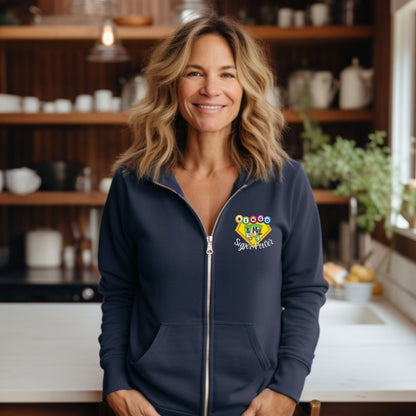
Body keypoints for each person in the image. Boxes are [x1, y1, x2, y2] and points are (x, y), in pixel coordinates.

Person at [98, 14, 328, 416]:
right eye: (194, 73)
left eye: (227, 74)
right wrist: (115, 380)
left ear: (247, 86)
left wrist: (288, 387)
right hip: (152, 406)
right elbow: (118, 291)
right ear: (173, 82)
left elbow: (304, 292)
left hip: (253, 407)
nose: (211, 89)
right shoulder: (133, 182)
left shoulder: (284, 181)